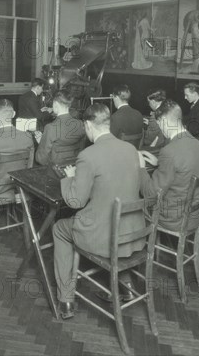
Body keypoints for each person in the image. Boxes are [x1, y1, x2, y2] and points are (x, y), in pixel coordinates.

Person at [52, 103, 143, 319]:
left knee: (58, 229)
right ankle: (128, 287)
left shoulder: (88, 155)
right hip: (132, 233)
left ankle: (66, 300)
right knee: (115, 224)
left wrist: (69, 177)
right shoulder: (130, 149)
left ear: (88, 125)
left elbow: (75, 201)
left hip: (102, 235)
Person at [139, 100, 199, 231]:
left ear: (162, 121)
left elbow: (150, 194)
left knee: (135, 204)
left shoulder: (169, 151)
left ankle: (140, 246)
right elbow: (183, 168)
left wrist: (140, 168)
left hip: (172, 219)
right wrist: (159, 163)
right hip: (194, 215)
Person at [34, 90, 86, 166]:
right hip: (75, 167)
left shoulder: (50, 128)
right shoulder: (80, 124)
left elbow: (41, 159)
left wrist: (41, 143)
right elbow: (81, 150)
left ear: (55, 104)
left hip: (56, 170)